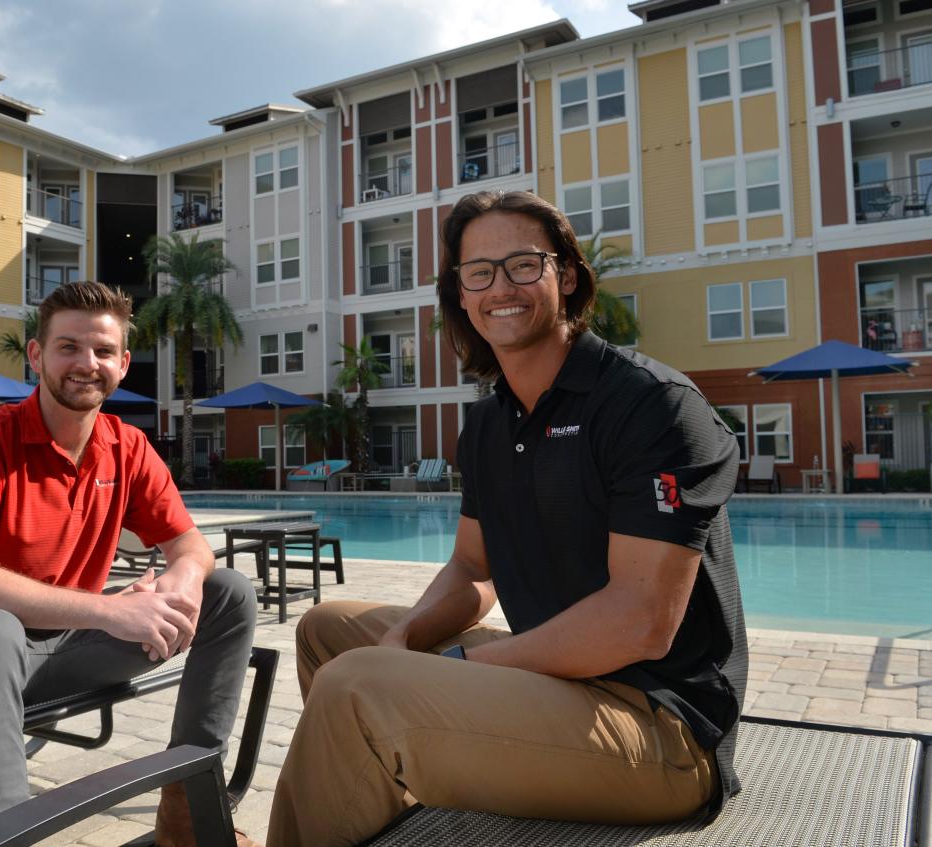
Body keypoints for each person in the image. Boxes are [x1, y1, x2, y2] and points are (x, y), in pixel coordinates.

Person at [265, 191, 747, 846]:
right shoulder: (490, 424)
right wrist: (406, 637)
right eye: (479, 272)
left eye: (524, 264)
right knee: (330, 632)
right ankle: (374, 804)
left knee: (356, 685)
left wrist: (462, 666)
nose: (502, 288)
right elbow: (473, 566)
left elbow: (640, 621)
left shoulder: (651, 406)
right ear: (460, 293)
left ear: (566, 275)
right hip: (555, 679)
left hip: (656, 725)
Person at [0, 282, 258, 846]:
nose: (85, 364)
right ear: (38, 355)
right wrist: (109, 612)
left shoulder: (127, 446)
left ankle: (187, 817)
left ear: (121, 364)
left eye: (102, 351)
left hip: (62, 650)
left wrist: (179, 578)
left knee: (229, 593)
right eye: (68, 348)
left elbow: (191, 545)